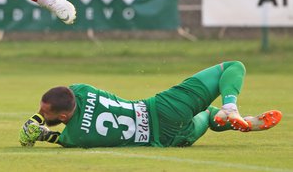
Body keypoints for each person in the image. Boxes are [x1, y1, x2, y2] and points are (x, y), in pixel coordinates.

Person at [19, 61, 282, 148]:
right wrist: (42, 118)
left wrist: (40, 131)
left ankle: (227, 117)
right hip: (163, 106)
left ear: (64, 116)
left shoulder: (75, 136)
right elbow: (66, 93)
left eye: (44, 110)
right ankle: (231, 108)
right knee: (233, 67)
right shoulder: (82, 91)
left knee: (205, 117)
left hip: (167, 137)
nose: (41, 113)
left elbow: (57, 137)